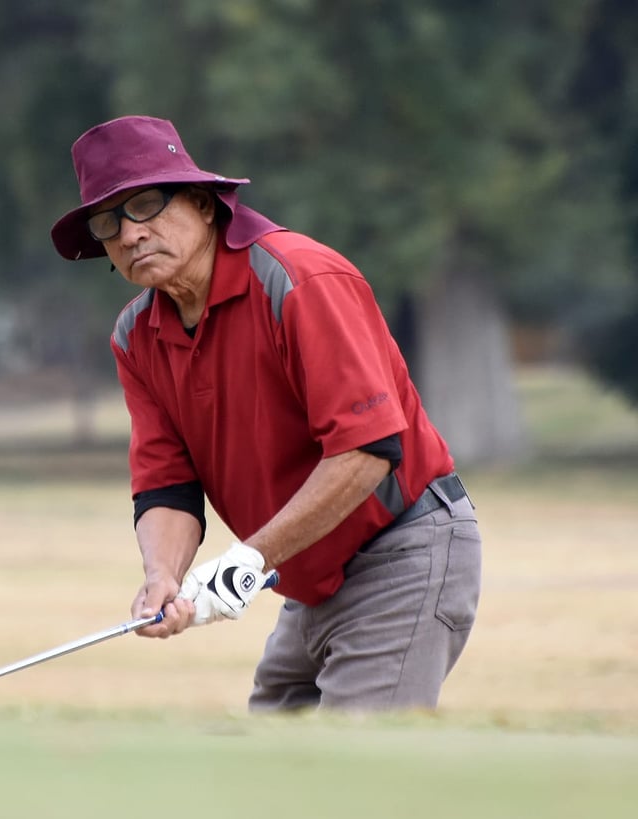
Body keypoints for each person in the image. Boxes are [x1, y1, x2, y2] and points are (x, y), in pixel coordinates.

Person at [50, 115, 482, 711]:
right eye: (108, 221)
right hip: (302, 579)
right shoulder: (135, 335)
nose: (128, 235)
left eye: (146, 205)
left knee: (355, 776)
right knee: (272, 766)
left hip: (400, 550)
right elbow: (167, 487)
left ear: (203, 204)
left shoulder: (299, 278)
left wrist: (249, 560)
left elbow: (366, 453)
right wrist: (164, 579)